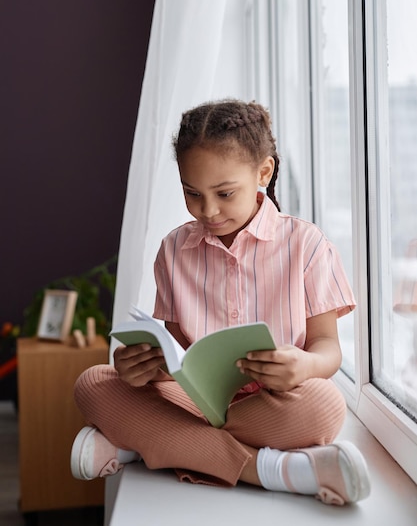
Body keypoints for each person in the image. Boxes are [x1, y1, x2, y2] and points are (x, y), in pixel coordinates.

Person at [71, 99, 370, 505]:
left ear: (263, 172)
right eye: (192, 193)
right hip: (193, 403)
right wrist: (140, 366)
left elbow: (328, 348)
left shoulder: (307, 244)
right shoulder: (174, 250)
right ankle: (270, 470)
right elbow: (173, 351)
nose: (207, 210)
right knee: (94, 384)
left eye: (224, 193)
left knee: (324, 406)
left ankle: (139, 446)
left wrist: (305, 365)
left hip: (275, 403)